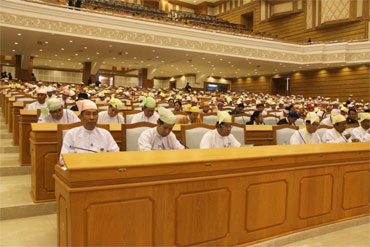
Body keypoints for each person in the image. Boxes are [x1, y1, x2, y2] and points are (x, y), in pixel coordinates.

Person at [59, 100, 119, 164]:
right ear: (81, 117)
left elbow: (116, 154)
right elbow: (62, 159)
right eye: (88, 114)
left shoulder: (105, 134)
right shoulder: (71, 134)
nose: (92, 117)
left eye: (95, 114)